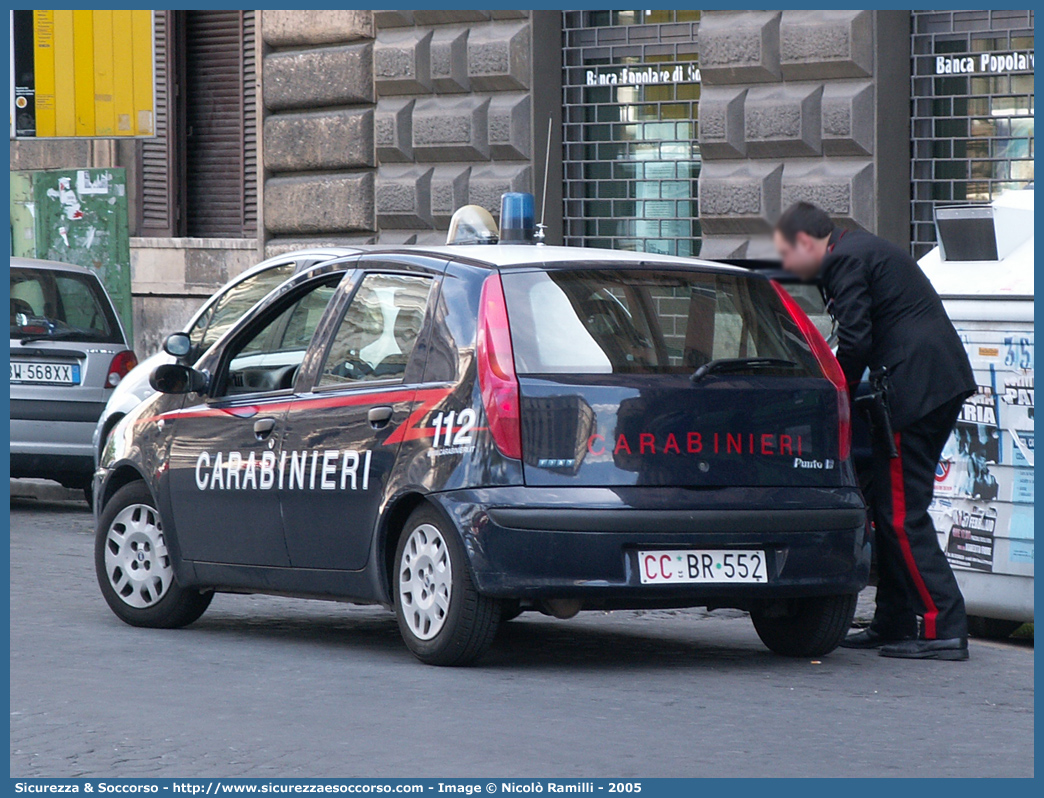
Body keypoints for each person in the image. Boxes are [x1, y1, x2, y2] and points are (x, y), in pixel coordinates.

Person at [773, 201, 977, 661]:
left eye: (787, 254)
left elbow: (856, 338)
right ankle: (894, 621)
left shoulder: (844, 258)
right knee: (888, 510)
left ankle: (943, 624)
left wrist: (832, 393)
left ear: (807, 243)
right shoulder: (860, 249)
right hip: (927, 386)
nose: (786, 265)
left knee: (903, 515)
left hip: (914, 393)